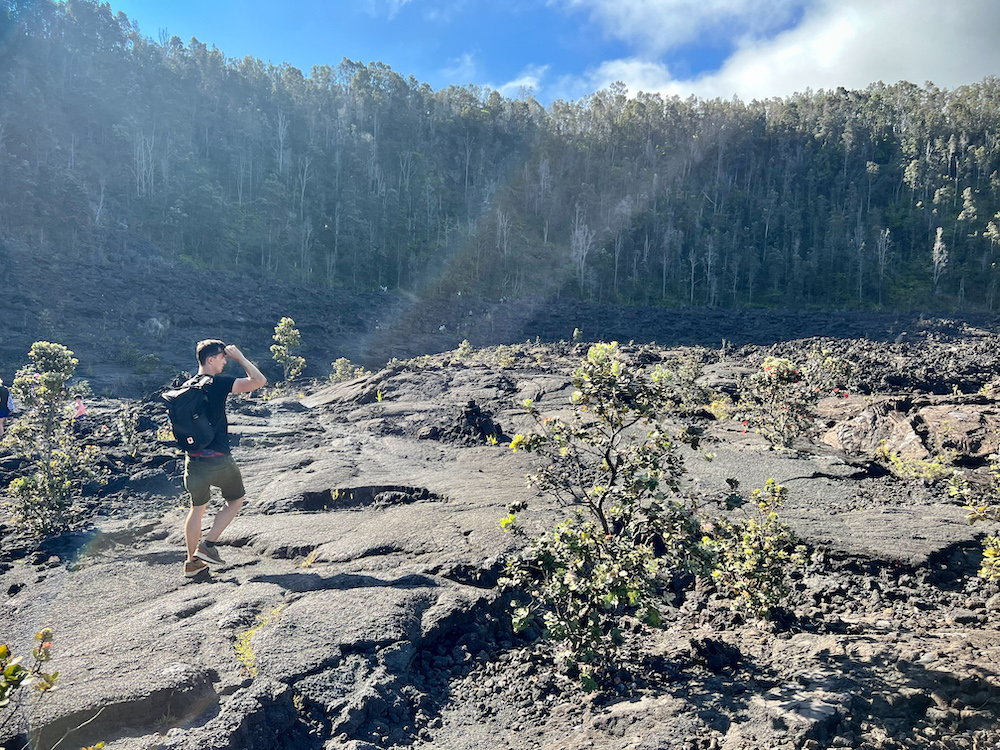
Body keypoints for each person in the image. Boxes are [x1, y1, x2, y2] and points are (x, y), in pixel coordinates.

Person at [182, 340, 267, 578]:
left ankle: (191, 563)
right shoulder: (217, 384)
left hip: (194, 459)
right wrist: (240, 358)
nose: (224, 363)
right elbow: (259, 381)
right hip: (218, 458)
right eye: (222, 358)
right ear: (210, 359)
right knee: (235, 500)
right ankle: (207, 545)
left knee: (196, 509)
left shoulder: (187, 386)